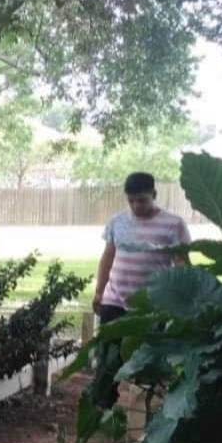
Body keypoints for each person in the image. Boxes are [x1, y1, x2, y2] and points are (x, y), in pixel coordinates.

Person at [92, 171, 191, 404]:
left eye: (142, 200)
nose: (136, 206)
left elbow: (181, 263)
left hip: (152, 306)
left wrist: (185, 297)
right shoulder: (117, 222)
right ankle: (102, 408)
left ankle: (142, 413)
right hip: (114, 300)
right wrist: (99, 291)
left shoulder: (174, 225)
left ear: (154, 195)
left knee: (148, 363)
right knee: (107, 360)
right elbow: (107, 257)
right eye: (131, 201)